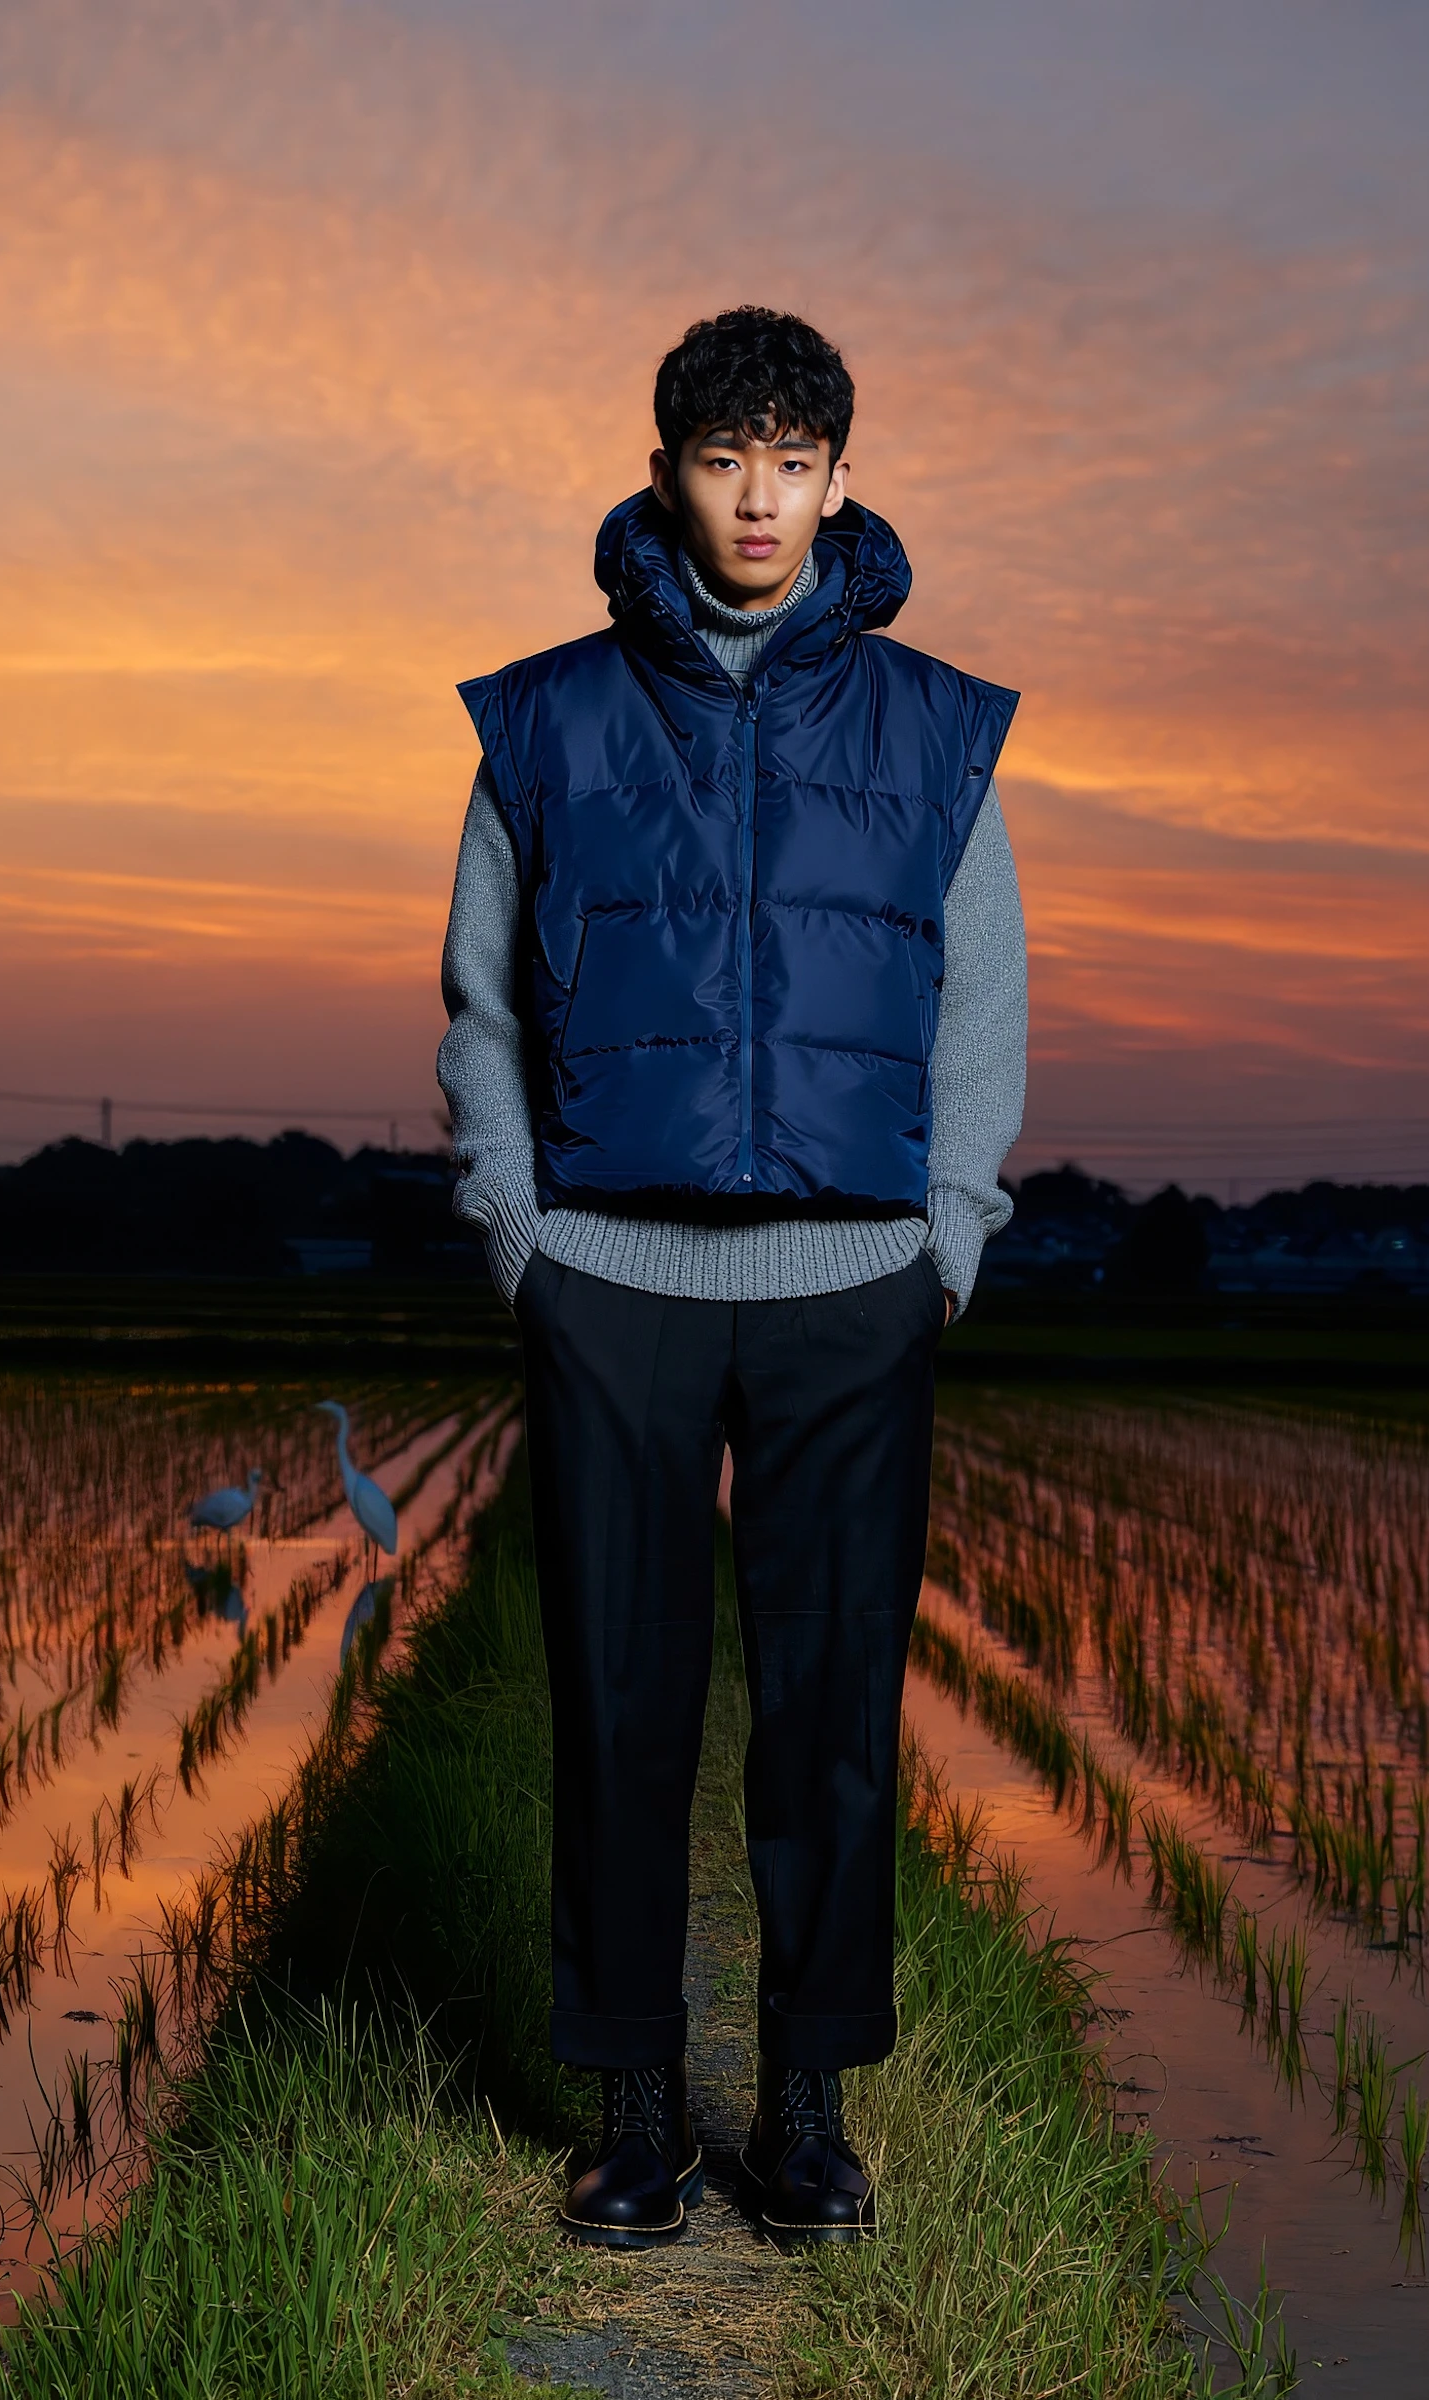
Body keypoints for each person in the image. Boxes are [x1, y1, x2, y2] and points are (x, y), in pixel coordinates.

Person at [438, 306, 1026, 2247]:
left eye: (792, 461)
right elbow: (479, 997)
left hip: (852, 1284)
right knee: (619, 1698)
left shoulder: (935, 726)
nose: (756, 498)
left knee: (830, 1708)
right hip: (612, 1276)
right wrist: (520, 1231)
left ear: (840, 480)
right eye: (721, 459)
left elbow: (983, 999)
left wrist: (945, 1237)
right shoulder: (547, 717)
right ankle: (633, 2111)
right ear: (665, 474)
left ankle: (801, 2110)